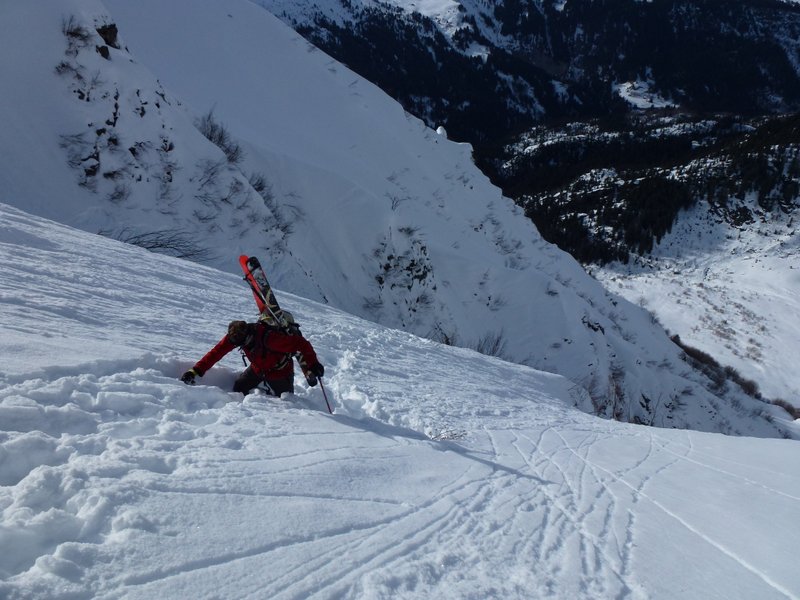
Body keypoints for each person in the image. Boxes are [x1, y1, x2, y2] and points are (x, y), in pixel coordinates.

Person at [180, 313, 324, 396]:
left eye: (241, 343)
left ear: (247, 335)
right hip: (257, 369)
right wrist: (196, 370)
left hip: (280, 373)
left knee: (286, 401)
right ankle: (262, 386)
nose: (238, 345)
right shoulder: (235, 336)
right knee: (238, 389)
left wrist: (313, 364)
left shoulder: (270, 339)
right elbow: (216, 353)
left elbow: (301, 344)